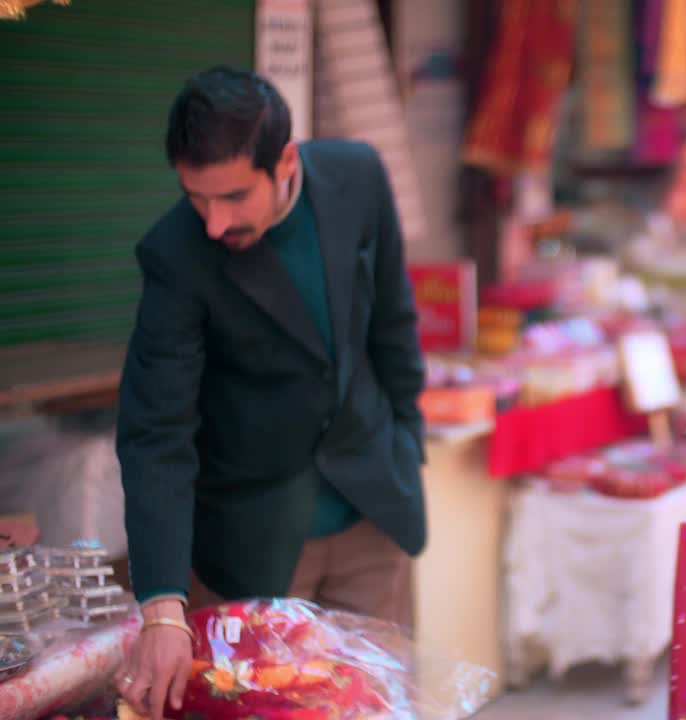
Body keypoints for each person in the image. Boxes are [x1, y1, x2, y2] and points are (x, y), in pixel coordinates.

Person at [113, 66, 428, 718]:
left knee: (379, 705)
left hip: (372, 511)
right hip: (250, 543)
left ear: (285, 160)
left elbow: (394, 322)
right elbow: (156, 433)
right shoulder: (175, 256)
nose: (212, 222)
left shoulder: (358, 177)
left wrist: (406, 442)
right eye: (196, 199)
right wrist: (164, 607)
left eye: (231, 197)